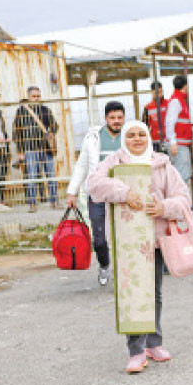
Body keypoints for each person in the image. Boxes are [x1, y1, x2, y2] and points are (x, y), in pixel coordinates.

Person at [88, 121, 190, 374]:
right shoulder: (114, 162)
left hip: (154, 238)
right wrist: (123, 192)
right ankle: (135, 350)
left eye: (141, 134)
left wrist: (164, 208)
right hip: (127, 241)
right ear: (124, 138)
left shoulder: (161, 163)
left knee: (153, 291)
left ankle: (154, 343)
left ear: (148, 137)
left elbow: (183, 197)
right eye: (131, 135)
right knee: (131, 292)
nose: (136, 139)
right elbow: (94, 185)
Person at [65, 100, 125, 286]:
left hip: (122, 194)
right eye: (112, 118)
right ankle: (104, 265)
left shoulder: (130, 136)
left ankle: (125, 271)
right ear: (106, 118)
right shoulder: (93, 138)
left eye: (120, 118)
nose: (116, 121)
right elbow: (82, 165)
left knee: (123, 236)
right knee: (99, 239)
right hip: (97, 194)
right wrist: (72, 192)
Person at [12, 85, 59, 212]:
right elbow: (17, 132)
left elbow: (55, 125)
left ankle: (54, 201)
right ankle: (32, 204)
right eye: (34, 96)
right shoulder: (21, 112)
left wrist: (51, 131)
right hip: (30, 148)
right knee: (31, 177)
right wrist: (20, 151)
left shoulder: (45, 110)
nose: (36, 98)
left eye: (38, 96)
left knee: (51, 176)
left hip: (45, 148)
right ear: (28, 97)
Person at [165, 75, 193, 184]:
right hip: (179, 145)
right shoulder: (176, 101)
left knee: (184, 173)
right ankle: (180, 199)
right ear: (185, 86)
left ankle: (182, 199)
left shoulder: (179, 100)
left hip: (180, 145)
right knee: (183, 174)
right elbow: (170, 122)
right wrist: (173, 142)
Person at [142, 82, 168, 153]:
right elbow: (144, 125)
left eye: (160, 92)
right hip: (155, 142)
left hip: (168, 140)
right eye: (156, 92)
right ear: (152, 93)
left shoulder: (169, 104)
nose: (159, 95)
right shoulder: (147, 107)